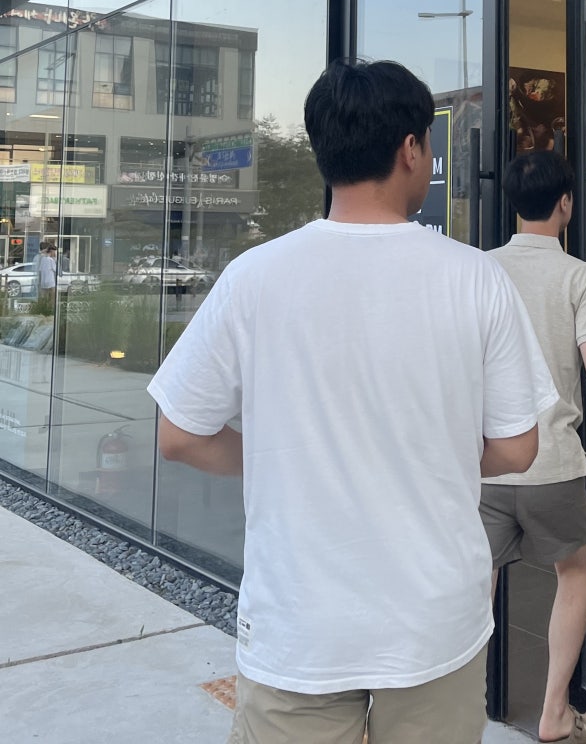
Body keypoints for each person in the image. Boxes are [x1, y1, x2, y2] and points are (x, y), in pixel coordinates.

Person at [148, 59, 557, 744]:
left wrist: (283, 455)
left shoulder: (254, 278)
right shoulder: (475, 279)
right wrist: (429, 451)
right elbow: (517, 448)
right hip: (433, 621)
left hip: (298, 625)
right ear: (411, 149)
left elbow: (179, 434)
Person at [479, 151, 586, 744]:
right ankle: (554, 715)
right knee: (574, 573)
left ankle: (462, 700)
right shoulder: (580, 275)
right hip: (551, 465)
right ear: (566, 203)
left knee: (477, 582)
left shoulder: (481, 269)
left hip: (487, 463)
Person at [38, 243, 57, 311]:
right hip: (50, 280)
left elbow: (40, 270)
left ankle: (44, 308)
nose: (54, 253)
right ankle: (51, 308)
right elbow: (55, 269)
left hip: (44, 280)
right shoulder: (51, 260)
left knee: (44, 296)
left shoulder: (43, 259)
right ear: (51, 251)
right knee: (52, 295)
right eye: (54, 252)